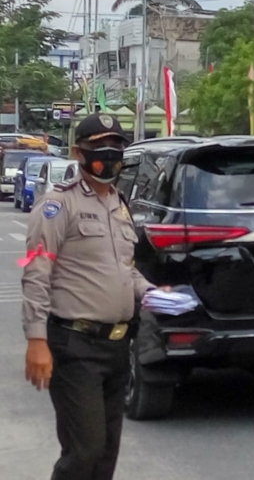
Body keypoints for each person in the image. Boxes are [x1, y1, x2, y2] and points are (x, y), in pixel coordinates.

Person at [21, 113, 157, 480]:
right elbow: (36, 272)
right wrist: (36, 340)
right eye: (99, 147)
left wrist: (152, 294)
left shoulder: (119, 203)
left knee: (106, 452)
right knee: (85, 449)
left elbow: (124, 268)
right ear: (79, 153)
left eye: (116, 146)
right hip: (74, 345)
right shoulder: (57, 205)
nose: (110, 155)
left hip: (117, 346)